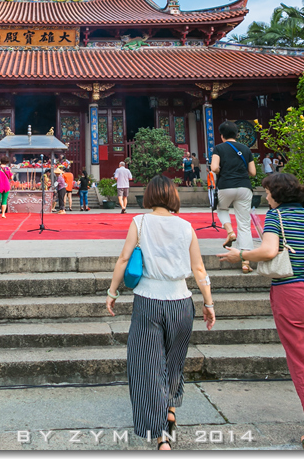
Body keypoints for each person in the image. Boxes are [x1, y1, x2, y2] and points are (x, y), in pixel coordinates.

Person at [218, 172, 304, 450]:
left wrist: (240, 255)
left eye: (268, 192)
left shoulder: (277, 217)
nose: (266, 197)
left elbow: (269, 251)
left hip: (291, 294)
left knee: (302, 364)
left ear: (277, 194)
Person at [106, 175, 216, 450]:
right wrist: (209, 303)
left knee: (147, 366)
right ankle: (170, 408)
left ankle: (160, 435)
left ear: (149, 196)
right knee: (173, 361)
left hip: (149, 301)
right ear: (174, 197)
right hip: (181, 301)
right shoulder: (186, 226)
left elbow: (123, 258)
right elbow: (199, 269)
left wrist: (112, 292)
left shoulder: (140, 222)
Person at [212, 121, 256, 273]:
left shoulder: (219, 148)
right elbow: (253, 172)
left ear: (222, 135)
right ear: (237, 134)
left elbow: (213, 168)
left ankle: (230, 231)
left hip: (226, 186)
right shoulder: (245, 149)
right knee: (244, 223)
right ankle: (246, 262)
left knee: (222, 208)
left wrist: (221, 170)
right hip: (244, 186)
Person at [0, 155, 13, 219]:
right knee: (4, 200)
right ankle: (3, 214)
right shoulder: (8, 169)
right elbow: (11, 177)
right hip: (6, 186)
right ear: (7, 162)